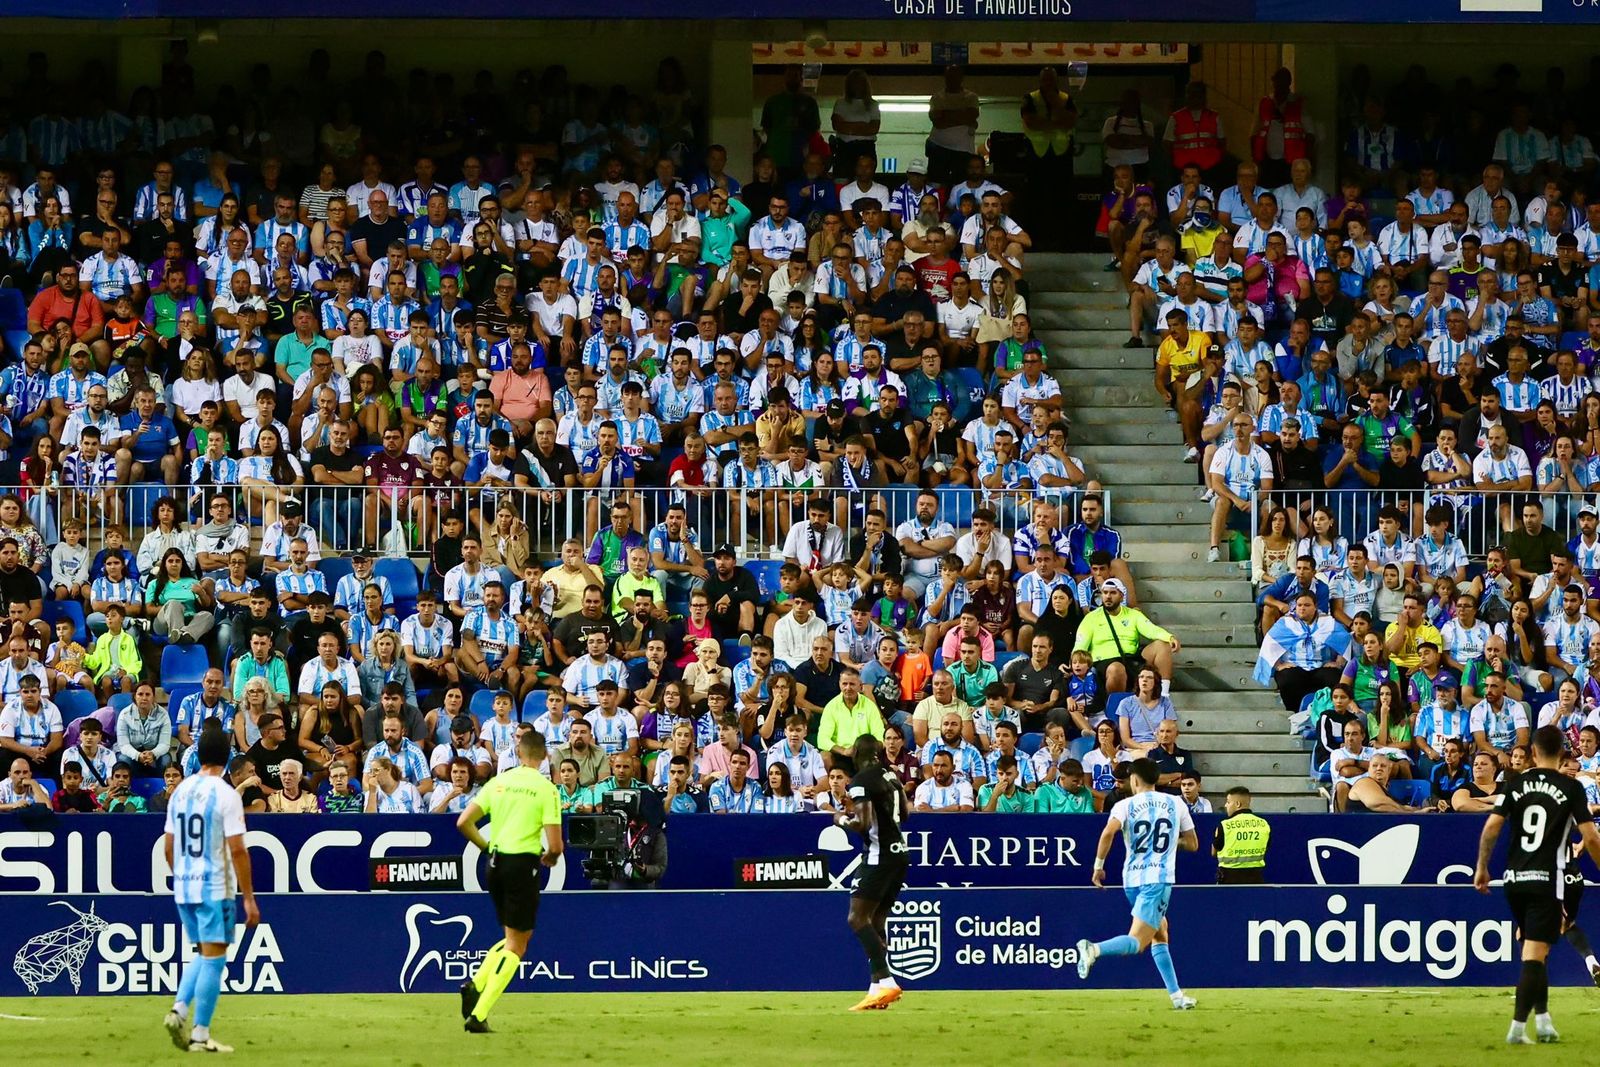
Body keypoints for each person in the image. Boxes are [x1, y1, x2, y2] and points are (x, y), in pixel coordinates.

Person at [1474, 726, 1600, 1045]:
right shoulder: (1571, 788)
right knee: (1534, 954)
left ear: (1532, 751)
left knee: (1533, 947)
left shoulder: (1515, 783)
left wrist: (1482, 867)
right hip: (1546, 879)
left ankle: (1543, 1022)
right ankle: (1517, 1030)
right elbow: (1591, 837)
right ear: (1562, 753)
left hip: (1514, 880)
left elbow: (1491, 827)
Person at [454, 727, 563, 1034]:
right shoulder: (545, 789)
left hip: (494, 864)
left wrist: (487, 847)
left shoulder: (499, 782)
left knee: (512, 937)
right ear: (543, 757)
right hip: (522, 864)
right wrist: (551, 858)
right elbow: (555, 846)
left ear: (518, 753)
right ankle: (479, 1013)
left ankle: (475, 984)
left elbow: (463, 822)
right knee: (517, 946)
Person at [161, 721, 259, 1055]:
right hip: (214, 886)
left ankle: (179, 1009)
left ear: (199, 754)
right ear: (227, 755)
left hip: (184, 887)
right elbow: (237, 850)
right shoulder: (226, 794)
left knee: (203, 953)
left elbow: (168, 846)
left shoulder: (181, 791)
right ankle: (200, 1035)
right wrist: (249, 898)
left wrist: (182, 875)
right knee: (215, 959)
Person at [1075, 757, 1199, 1010]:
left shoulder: (1124, 805)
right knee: (1138, 942)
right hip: (1158, 879)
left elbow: (1108, 833)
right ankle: (1093, 949)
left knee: (1160, 933)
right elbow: (1193, 844)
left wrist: (1098, 867)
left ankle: (1177, 997)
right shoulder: (1176, 804)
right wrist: (1168, 841)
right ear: (1157, 779)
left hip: (1131, 881)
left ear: (1134, 780)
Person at [831, 732, 908, 1012]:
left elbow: (861, 824)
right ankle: (877, 990)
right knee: (876, 921)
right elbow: (905, 814)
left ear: (856, 754)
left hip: (879, 854)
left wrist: (840, 818)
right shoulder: (889, 775)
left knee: (856, 918)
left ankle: (886, 981)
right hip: (899, 852)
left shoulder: (862, 780)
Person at [1212, 786, 1270, 884]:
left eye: (1228, 802)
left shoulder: (1224, 825)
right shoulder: (1264, 824)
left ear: (1238, 804)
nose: (1226, 805)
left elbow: (1214, 853)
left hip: (1229, 881)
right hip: (1256, 881)